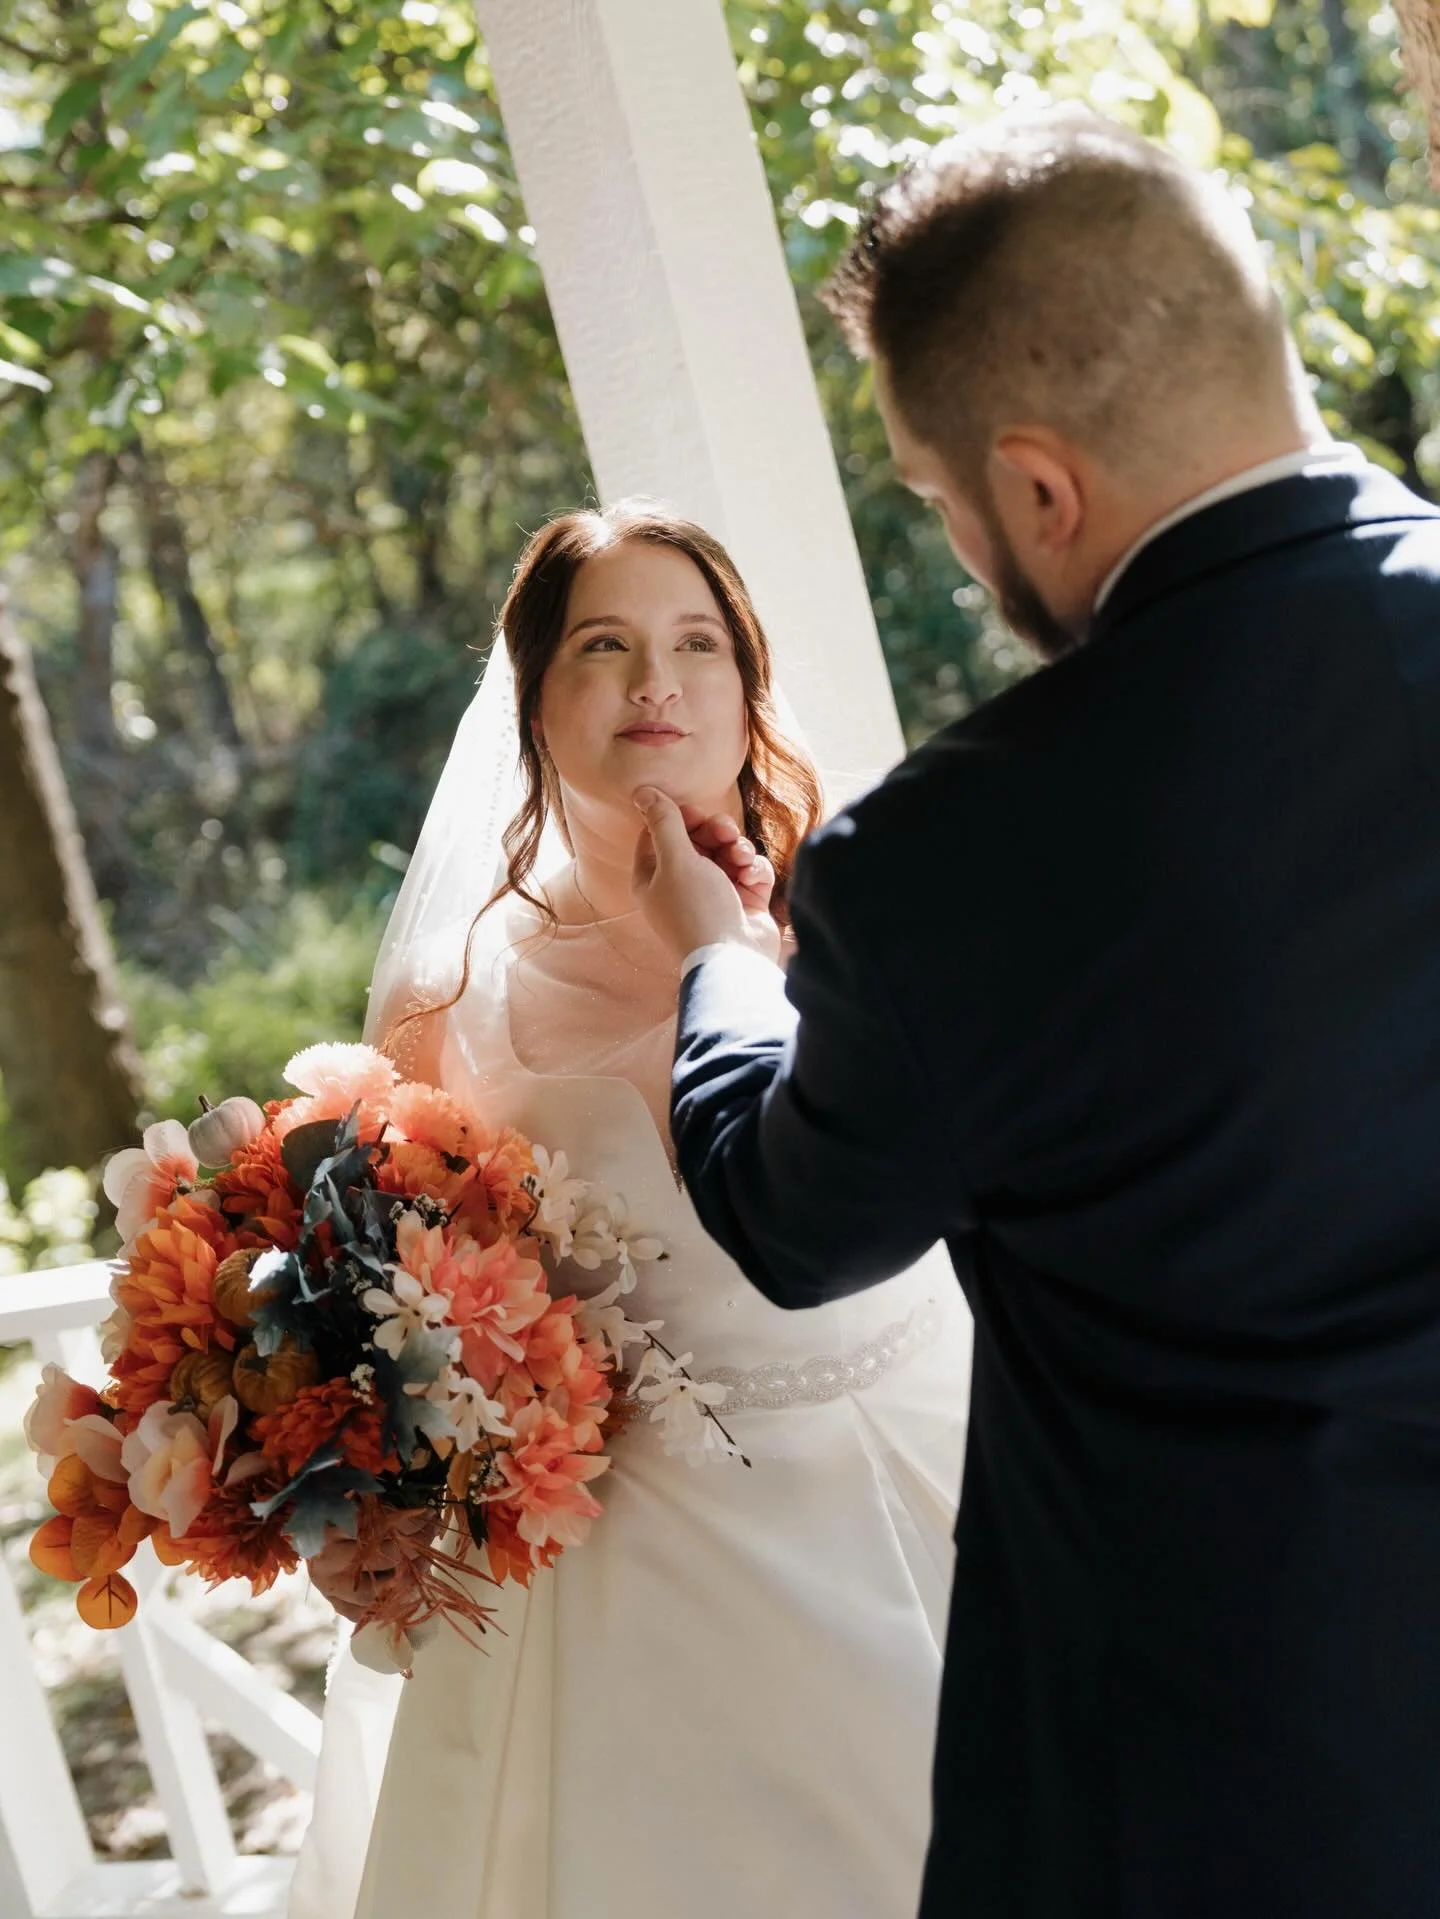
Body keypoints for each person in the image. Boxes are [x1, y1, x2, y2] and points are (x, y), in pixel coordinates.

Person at [634, 107, 1440, 1919]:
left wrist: (722, 967)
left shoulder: (947, 857)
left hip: (1234, 1806)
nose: (962, 551)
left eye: (939, 501)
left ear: (1039, 487)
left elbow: (795, 1218)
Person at [287, 503, 972, 1919]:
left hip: (933, 1461)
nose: (657, 681)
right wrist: (366, 1501)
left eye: (697, 643)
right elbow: (396, 1302)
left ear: (747, 683)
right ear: (532, 697)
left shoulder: (872, 907)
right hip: (625, 1577)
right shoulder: (448, 998)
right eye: (604, 645)